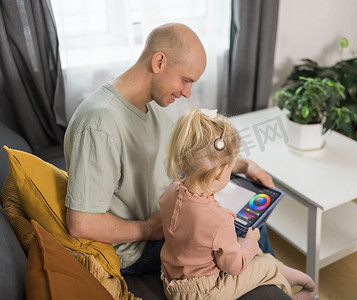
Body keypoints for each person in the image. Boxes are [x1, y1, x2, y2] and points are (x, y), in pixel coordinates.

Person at [64, 23, 275, 275]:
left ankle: (282, 281)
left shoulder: (149, 105)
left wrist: (243, 165)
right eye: (185, 80)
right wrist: (147, 229)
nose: (187, 93)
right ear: (159, 62)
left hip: (171, 218)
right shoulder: (99, 124)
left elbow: (193, 155)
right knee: (248, 234)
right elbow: (81, 223)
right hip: (138, 249)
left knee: (249, 220)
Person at [159, 108, 316, 300]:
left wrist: (224, 223)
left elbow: (192, 224)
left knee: (243, 245)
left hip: (173, 281)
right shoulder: (219, 220)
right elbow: (234, 267)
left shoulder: (170, 193)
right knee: (266, 264)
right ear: (221, 171)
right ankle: (302, 290)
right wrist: (252, 239)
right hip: (203, 293)